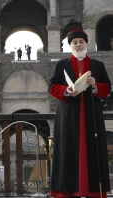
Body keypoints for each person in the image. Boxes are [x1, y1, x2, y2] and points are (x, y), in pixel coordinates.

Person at [49, 29, 111, 198]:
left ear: (86, 44)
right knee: (68, 152)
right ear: (70, 46)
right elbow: (52, 87)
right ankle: (66, 192)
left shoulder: (98, 65)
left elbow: (107, 88)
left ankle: (92, 193)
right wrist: (67, 90)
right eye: (74, 43)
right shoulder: (61, 65)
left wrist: (94, 85)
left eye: (81, 42)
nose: (78, 45)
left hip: (92, 117)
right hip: (68, 116)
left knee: (92, 153)